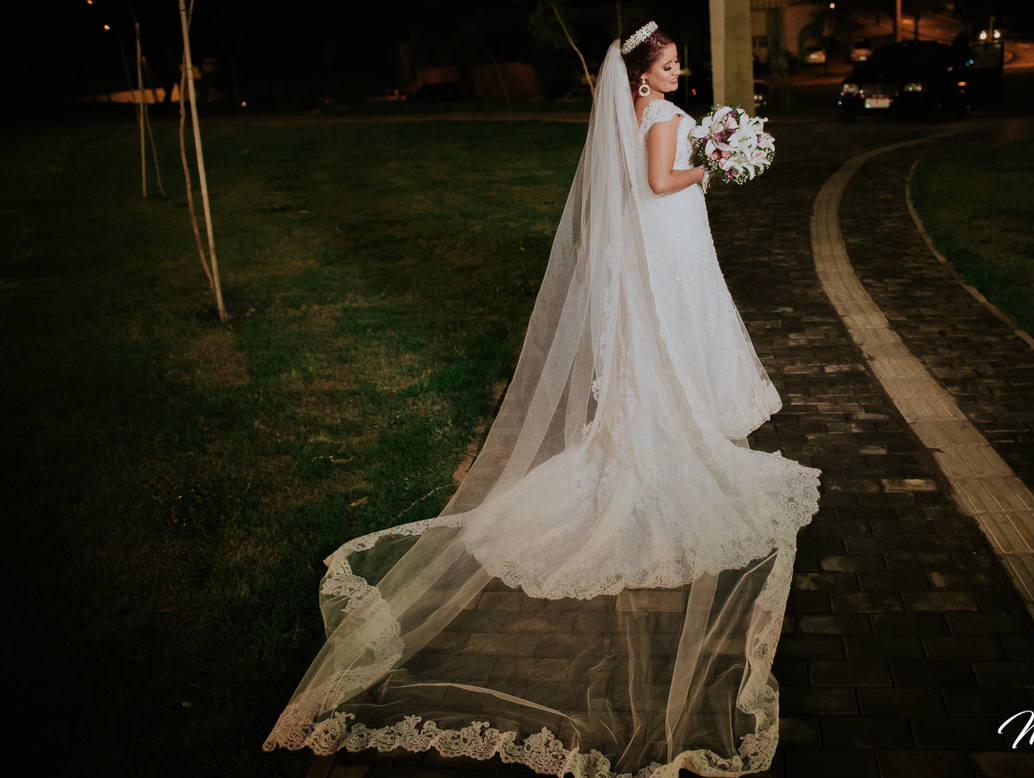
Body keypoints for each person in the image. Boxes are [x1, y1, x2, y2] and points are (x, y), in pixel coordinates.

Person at [264, 21, 820, 778]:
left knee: (658, 348)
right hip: (671, 236)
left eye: (676, 63)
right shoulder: (661, 116)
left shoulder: (633, 112)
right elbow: (661, 184)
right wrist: (710, 166)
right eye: (668, 64)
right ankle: (670, 444)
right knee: (676, 343)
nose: (677, 71)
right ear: (645, 76)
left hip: (659, 245)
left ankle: (655, 427)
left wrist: (705, 158)